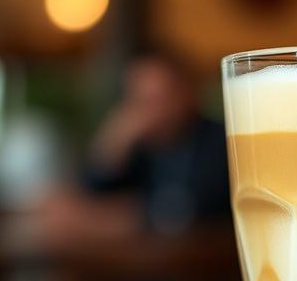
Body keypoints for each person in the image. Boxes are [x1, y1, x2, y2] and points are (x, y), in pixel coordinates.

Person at [85, 51, 230, 233]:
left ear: (187, 94)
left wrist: (127, 217)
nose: (151, 111)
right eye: (141, 100)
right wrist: (111, 145)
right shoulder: (139, 145)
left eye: (160, 99)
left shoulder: (218, 141)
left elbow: (196, 209)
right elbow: (91, 193)